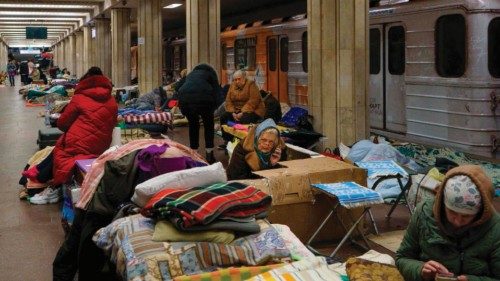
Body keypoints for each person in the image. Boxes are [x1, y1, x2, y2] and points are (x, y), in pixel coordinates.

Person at [22, 67, 118, 204]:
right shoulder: (112, 101)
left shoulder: (79, 98)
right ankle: (37, 173)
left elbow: (62, 123)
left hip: (80, 146)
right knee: (59, 148)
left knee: (61, 150)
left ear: (85, 80)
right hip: (101, 145)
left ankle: (48, 186)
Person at [395, 165, 500, 281]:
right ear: (442, 203)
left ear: (480, 212)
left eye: (466, 216)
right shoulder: (424, 213)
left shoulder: (495, 228)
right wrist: (421, 270)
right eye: (452, 212)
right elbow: (402, 258)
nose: (458, 221)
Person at [177, 63, 221, 163]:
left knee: (193, 125)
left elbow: (178, 87)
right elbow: (217, 91)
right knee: (208, 125)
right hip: (205, 100)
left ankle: (194, 154)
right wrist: (215, 108)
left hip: (186, 100)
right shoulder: (211, 74)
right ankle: (209, 155)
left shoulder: (191, 75)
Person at [219, 70, 265, 148]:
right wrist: (232, 112)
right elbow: (228, 101)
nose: (237, 81)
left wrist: (242, 112)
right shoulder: (232, 85)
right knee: (224, 117)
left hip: (253, 110)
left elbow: (254, 100)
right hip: (236, 111)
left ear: (244, 78)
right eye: (235, 79)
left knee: (244, 119)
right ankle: (228, 140)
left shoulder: (251, 84)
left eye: (239, 79)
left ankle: (243, 143)